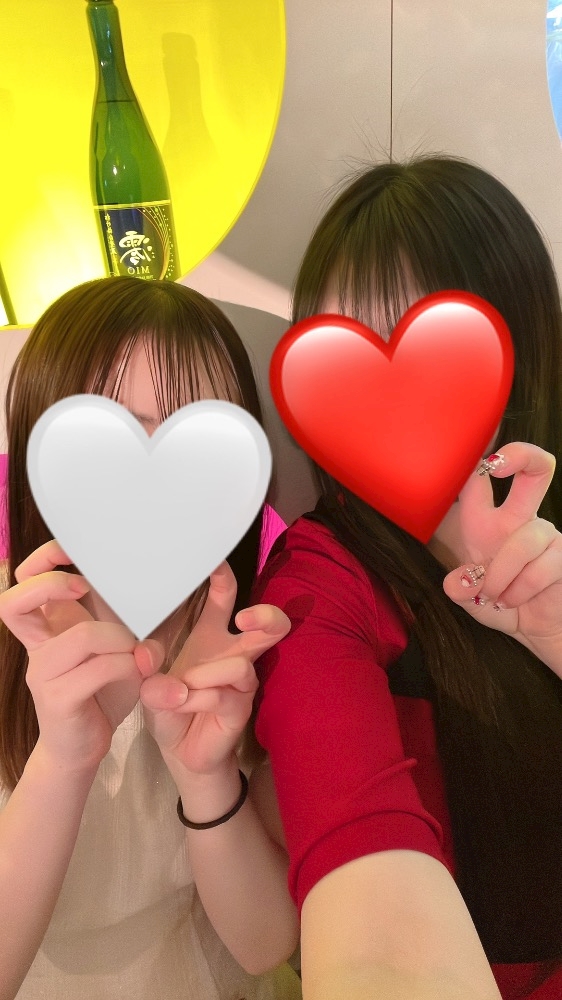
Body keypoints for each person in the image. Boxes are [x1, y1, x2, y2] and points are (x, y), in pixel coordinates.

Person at [250, 156, 562, 1000]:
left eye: (437, 342)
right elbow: (373, 921)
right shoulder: (321, 579)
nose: (396, 395)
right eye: (351, 354)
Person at [0, 276, 301, 1000]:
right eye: (114, 440)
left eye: (202, 444)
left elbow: (265, 945)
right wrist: (64, 758)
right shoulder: (17, 628)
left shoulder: (253, 640)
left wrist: (204, 775)